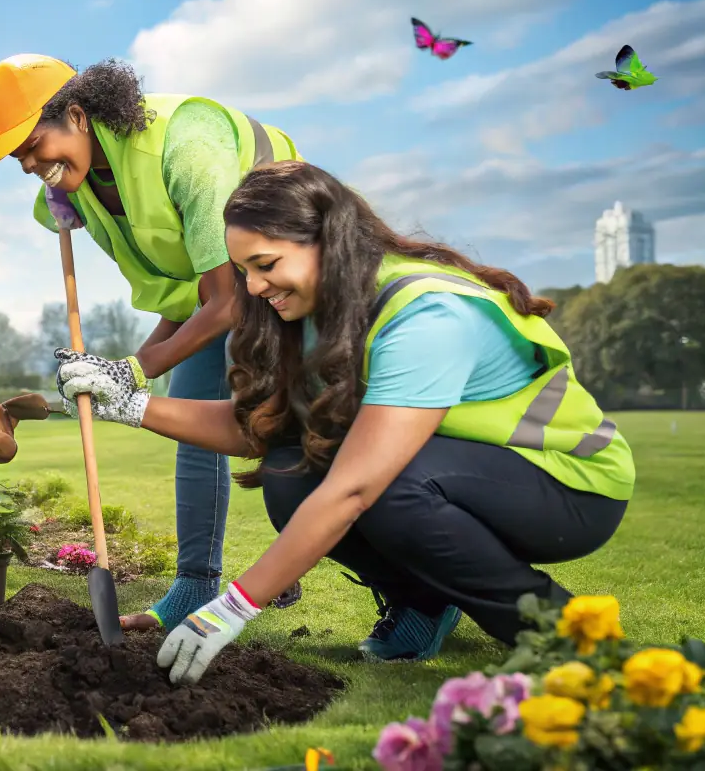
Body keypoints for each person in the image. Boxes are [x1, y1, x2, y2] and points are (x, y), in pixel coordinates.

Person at [54, 161, 634, 684]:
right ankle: (423, 602)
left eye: (265, 265)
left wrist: (232, 608)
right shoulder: (319, 311)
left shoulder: (424, 312)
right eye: (243, 270)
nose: (253, 287)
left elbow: (357, 486)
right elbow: (260, 428)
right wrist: (127, 404)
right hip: (458, 474)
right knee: (289, 473)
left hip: (568, 485)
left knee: (383, 488)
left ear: (327, 242)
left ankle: (564, 638)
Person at [0, 53, 305, 630]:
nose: (30, 163)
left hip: (289, 274)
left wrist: (130, 370)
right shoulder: (76, 180)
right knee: (192, 418)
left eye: (34, 144)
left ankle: (401, 593)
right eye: (18, 156)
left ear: (77, 116)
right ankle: (192, 585)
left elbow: (229, 298)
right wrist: (61, 195)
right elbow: (193, 290)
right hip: (211, 291)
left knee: (295, 430)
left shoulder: (187, 151)